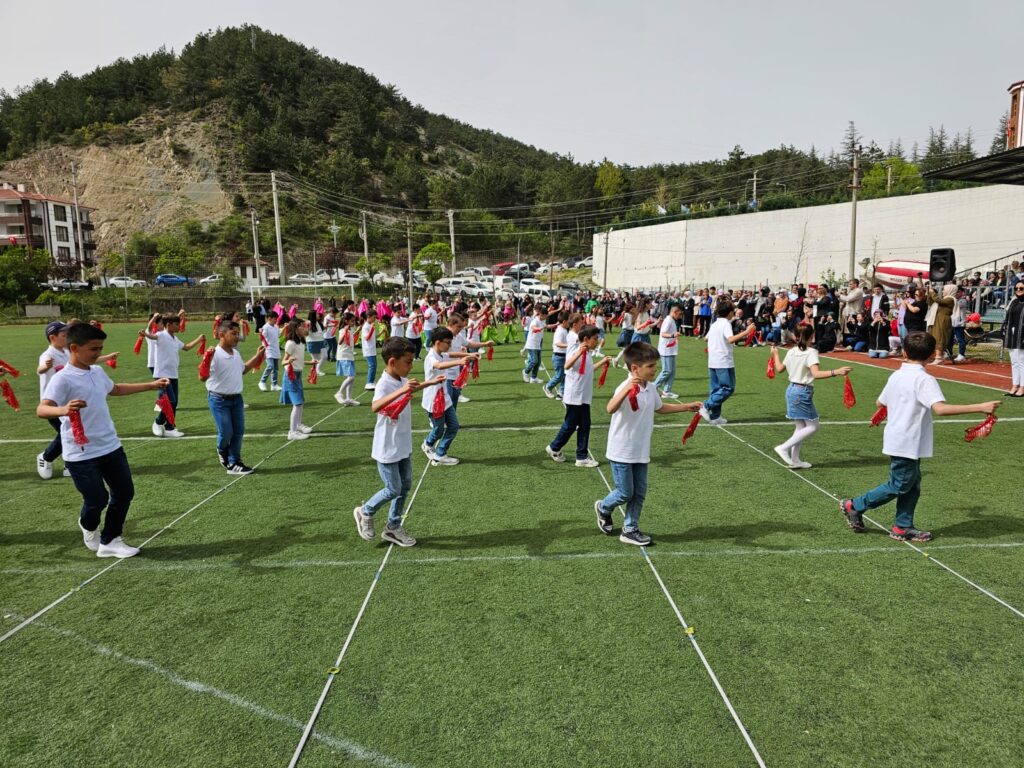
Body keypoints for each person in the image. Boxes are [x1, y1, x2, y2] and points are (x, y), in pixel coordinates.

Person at [839, 332, 1000, 542]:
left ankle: (902, 526)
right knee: (900, 484)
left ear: (904, 353)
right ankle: (855, 505)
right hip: (907, 439)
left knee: (912, 483)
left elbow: (880, 402)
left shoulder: (897, 375)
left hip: (902, 437)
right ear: (932, 355)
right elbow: (940, 409)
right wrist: (980, 406)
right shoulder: (924, 379)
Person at [36, 322, 169, 558]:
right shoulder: (63, 378)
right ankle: (88, 524)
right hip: (81, 453)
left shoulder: (96, 371)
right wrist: (64, 409)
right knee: (97, 499)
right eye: (93, 349)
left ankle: (111, 540)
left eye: (100, 348)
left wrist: (151, 385)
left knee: (124, 492)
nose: (98, 353)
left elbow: (114, 389)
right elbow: (42, 409)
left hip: (110, 446)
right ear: (74, 348)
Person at [596, 342, 702, 546]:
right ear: (635, 368)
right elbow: (610, 408)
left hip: (641, 449)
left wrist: (686, 407)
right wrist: (626, 389)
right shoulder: (625, 387)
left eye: (655, 365)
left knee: (639, 492)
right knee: (625, 492)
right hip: (621, 450)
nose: (655, 370)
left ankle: (630, 529)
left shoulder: (650, 388)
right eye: (651, 366)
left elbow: (659, 407)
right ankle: (603, 507)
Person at [353, 337, 424, 547]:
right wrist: (403, 390)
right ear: (392, 362)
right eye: (408, 362)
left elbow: (408, 390)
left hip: (403, 443)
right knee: (393, 488)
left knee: (405, 485)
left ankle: (393, 527)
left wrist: (430, 383)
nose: (410, 366)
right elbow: (375, 406)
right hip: (387, 446)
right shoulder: (385, 383)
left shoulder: (401, 379)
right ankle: (365, 511)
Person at [769, 326, 851, 469]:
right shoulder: (811, 352)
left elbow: (780, 369)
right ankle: (783, 447)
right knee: (813, 426)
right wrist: (836, 371)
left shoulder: (791, 351)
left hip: (792, 390)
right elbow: (816, 374)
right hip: (802, 392)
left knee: (801, 427)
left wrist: (775, 354)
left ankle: (795, 460)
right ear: (811, 336)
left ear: (795, 336)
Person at [204, 319, 265, 474]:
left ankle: (234, 461)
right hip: (219, 400)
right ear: (221, 335)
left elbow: (243, 370)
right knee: (226, 432)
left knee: (238, 431)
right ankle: (221, 450)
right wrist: (206, 360)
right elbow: (202, 377)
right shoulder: (214, 354)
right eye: (233, 333)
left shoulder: (235, 353)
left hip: (237, 399)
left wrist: (257, 356)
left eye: (238, 333)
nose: (237, 337)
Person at [139, 314, 205, 438]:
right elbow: (152, 336)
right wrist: (145, 334)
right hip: (162, 375)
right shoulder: (161, 335)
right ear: (168, 325)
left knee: (174, 402)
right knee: (171, 401)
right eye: (176, 324)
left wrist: (199, 339)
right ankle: (158, 422)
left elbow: (186, 347)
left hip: (173, 374)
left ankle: (170, 427)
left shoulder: (175, 339)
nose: (179, 326)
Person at [545, 325, 601, 467]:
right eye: (595, 339)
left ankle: (579, 456)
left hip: (583, 396)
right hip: (575, 396)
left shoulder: (587, 353)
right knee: (571, 425)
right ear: (586, 339)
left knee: (583, 425)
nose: (598, 341)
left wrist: (603, 361)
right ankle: (555, 448)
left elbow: (589, 369)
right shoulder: (577, 350)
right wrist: (579, 352)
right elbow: (567, 365)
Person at [420, 327, 471, 465]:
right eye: (448, 342)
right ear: (438, 342)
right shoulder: (431, 357)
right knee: (438, 430)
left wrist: (468, 355)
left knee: (454, 426)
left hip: (444, 398)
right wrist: (459, 362)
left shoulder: (441, 353)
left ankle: (440, 454)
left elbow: (451, 354)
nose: (450, 345)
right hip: (434, 401)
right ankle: (428, 443)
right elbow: (439, 365)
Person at [699, 300, 752, 425]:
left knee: (716, 389)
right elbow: (731, 339)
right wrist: (747, 331)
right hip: (723, 361)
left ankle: (715, 417)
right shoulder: (725, 324)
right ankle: (706, 406)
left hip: (713, 360)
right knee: (728, 388)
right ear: (729, 313)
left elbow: (706, 338)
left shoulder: (715, 324)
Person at [280, 319, 315, 440]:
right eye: (302, 326)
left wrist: (310, 362)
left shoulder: (300, 342)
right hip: (291, 376)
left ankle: (298, 425)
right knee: (297, 403)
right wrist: (288, 361)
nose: (305, 328)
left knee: (301, 402)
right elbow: (283, 361)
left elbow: (299, 360)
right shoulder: (290, 343)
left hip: (298, 374)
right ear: (296, 329)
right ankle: (292, 432)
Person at [654, 303, 683, 398]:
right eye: (680, 314)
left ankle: (667, 391)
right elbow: (663, 334)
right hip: (666, 350)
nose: (680, 316)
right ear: (675, 312)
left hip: (671, 350)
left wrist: (674, 336)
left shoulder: (671, 320)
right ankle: (653, 387)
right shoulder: (668, 321)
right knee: (666, 371)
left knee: (672, 371)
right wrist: (673, 335)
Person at [333, 312, 360, 407]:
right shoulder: (342, 330)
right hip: (344, 356)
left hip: (349, 356)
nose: (353, 322)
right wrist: (344, 331)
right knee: (351, 377)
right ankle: (339, 393)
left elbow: (350, 338)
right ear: (346, 321)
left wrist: (357, 331)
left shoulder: (349, 330)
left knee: (351, 378)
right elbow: (339, 342)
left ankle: (349, 398)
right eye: (352, 321)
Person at [1002, 281, 1024, 397]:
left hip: (1022, 333)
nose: (1018, 290)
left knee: (1022, 361)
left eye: (1021, 288)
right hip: (1012, 332)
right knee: (1014, 361)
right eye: (1016, 288)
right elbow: (1007, 317)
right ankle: (1015, 385)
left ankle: (1022, 387)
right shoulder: (1014, 301)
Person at [543, 311, 572, 399]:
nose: (570, 323)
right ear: (564, 321)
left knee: (565, 375)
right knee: (559, 375)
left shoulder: (564, 330)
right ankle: (548, 387)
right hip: (559, 356)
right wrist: (569, 345)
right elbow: (558, 343)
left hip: (564, 355)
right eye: (569, 321)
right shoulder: (560, 331)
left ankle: (561, 392)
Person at [927, 284, 956, 365]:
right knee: (934, 337)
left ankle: (939, 357)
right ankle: (939, 356)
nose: (943, 291)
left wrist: (933, 293)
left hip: (943, 321)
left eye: (944, 290)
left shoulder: (951, 299)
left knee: (939, 337)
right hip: (936, 319)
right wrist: (930, 293)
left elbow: (939, 301)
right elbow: (930, 302)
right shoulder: (943, 299)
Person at [258, 311, 282, 391]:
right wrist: (260, 333)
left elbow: (279, 335)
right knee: (270, 366)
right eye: (275, 319)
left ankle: (274, 385)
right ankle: (262, 381)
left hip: (276, 349)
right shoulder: (265, 327)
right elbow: (262, 338)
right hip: (268, 349)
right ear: (269, 318)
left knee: (275, 368)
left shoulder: (276, 327)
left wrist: (285, 328)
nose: (276, 320)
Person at [522, 304, 547, 384]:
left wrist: (557, 325)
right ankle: (525, 372)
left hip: (537, 344)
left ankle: (533, 378)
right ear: (541, 314)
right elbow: (534, 328)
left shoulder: (542, 320)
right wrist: (541, 328)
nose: (546, 317)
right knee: (534, 361)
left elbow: (547, 326)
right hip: (532, 344)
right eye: (545, 316)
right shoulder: (535, 320)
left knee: (538, 362)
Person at [361, 309, 379, 391]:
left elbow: (372, 337)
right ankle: (368, 383)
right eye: (374, 317)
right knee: (372, 366)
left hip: (372, 349)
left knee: (374, 365)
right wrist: (372, 328)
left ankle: (372, 381)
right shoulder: (365, 327)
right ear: (368, 317)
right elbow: (367, 338)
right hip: (368, 349)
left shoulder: (370, 325)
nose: (375, 319)